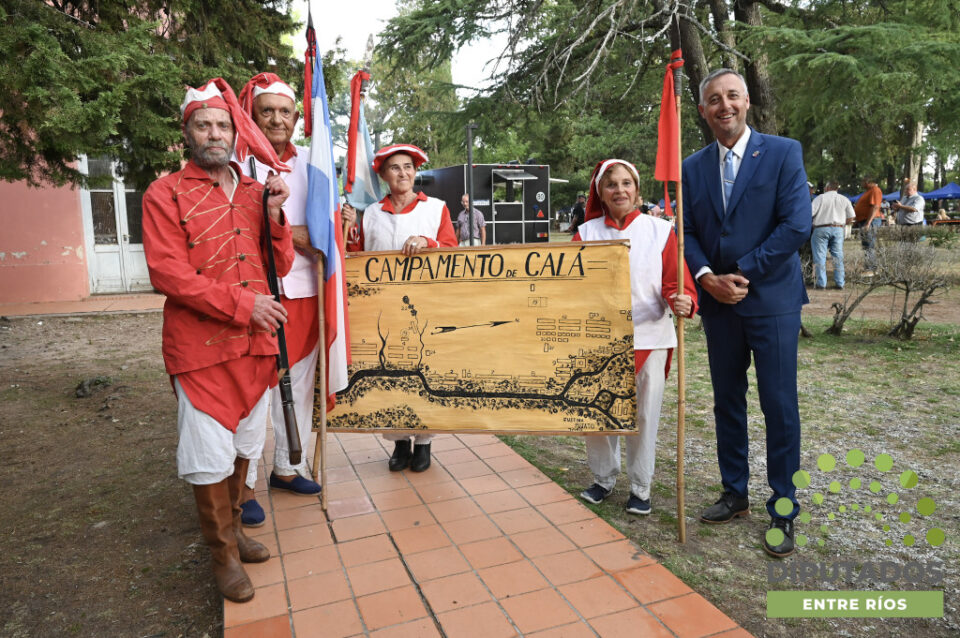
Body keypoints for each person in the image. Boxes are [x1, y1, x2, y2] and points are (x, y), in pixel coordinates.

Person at [141, 79, 294, 602]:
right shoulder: (164, 193)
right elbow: (168, 274)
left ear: (235, 132)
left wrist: (275, 218)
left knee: (246, 444)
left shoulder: (255, 192)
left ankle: (237, 529)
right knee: (208, 451)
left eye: (223, 125)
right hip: (201, 349)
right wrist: (245, 306)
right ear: (187, 133)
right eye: (203, 125)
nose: (214, 134)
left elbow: (281, 265)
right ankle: (222, 554)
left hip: (257, 345)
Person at [681, 69, 811, 558]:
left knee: (779, 406)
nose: (725, 106)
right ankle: (735, 493)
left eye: (732, 96)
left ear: (747, 101)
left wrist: (741, 272)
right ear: (703, 111)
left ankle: (784, 506)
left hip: (772, 302)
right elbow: (686, 231)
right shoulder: (692, 167)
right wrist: (707, 277)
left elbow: (796, 224)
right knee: (727, 403)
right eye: (714, 100)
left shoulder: (783, 152)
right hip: (719, 305)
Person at [573, 160, 696, 515]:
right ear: (600, 192)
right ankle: (603, 478)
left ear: (637, 190)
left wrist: (681, 299)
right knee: (598, 412)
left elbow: (675, 281)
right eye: (611, 184)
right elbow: (570, 286)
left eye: (627, 183)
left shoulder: (661, 231)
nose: (620, 190)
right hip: (600, 339)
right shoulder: (586, 234)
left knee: (644, 415)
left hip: (650, 337)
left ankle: (640, 487)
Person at [232, 73, 323, 528]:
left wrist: (327, 227)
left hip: (302, 289)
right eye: (266, 111)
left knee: (299, 383)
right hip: (253, 291)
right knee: (251, 391)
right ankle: (242, 486)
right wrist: (294, 232)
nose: (276, 119)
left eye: (285, 111)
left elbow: (323, 228)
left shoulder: (312, 162)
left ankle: (289, 467)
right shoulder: (236, 162)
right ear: (252, 114)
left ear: (296, 117)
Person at [344, 144, 457, 472]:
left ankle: (424, 443)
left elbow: (452, 250)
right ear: (383, 175)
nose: (403, 173)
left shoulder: (436, 208)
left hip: (426, 306)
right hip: (384, 308)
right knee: (390, 373)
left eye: (408, 166)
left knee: (424, 372)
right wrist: (347, 228)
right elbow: (356, 256)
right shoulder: (371, 214)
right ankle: (399, 443)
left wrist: (428, 242)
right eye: (395, 167)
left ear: (415, 171)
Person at [810, 181, 856, 289]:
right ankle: (840, 282)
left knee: (820, 256)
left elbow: (810, 213)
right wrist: (842, 223)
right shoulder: (844, 199)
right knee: (838, 256)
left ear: (827, 188)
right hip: (838, 228)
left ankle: (821, 283)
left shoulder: (820, 198)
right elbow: (851, 217)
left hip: (821, 228)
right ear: (837, 188)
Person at [853, 176, 883, 274]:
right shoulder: (868, 191)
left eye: (862, 182)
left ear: (867, 182)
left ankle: (871, 268)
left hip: (870, 221)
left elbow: (875, 207)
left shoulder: (875, 190)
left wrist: (868, 222)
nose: (861, 184)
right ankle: (869, 266)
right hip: (864, 221)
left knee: (869, 245)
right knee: (866, 245)